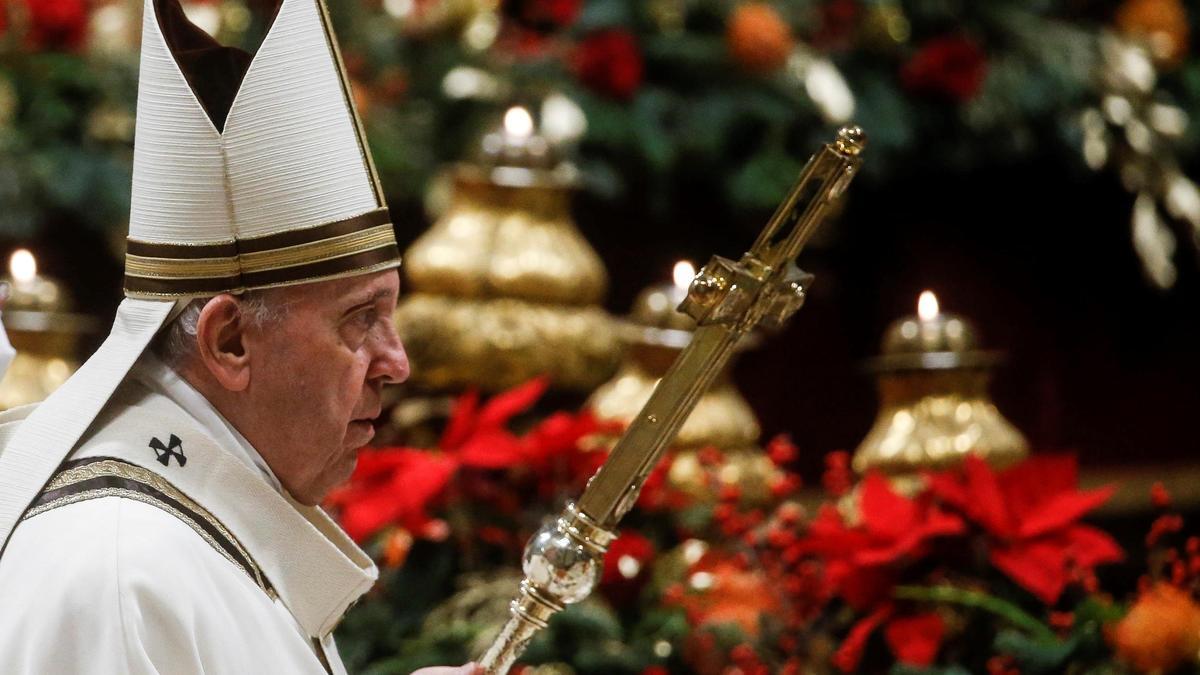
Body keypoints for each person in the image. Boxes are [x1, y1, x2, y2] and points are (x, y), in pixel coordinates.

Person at [0, 0, 478, 672]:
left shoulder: (195, 521)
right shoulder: (119, 569)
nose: (396, 361)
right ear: (229, 342)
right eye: (360, 319)